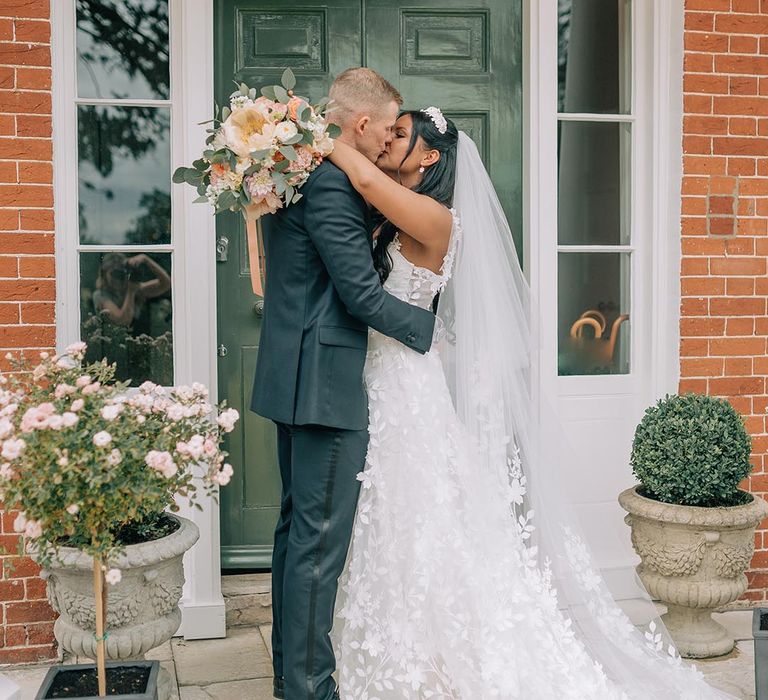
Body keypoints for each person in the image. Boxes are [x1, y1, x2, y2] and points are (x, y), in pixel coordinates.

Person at [326, 107, 734, 699]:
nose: (389, 140)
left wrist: (313, 137)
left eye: (400, 134)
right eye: (389, 130)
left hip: (409, 386)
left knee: (417, 517)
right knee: (399, 522)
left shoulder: (436, 217)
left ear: (430, 157)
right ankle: (416, 656)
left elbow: (364, 180)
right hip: (387, 380)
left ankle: (437, 664)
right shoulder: (394, 214)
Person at [250, 68, 436, 700]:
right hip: (324, 386)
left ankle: (287, 678)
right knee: (317, 544)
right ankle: (309, 689)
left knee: (293, 535)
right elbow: (359, 295)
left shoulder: (295, 169)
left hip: (292, 374)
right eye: (388, 127)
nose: (390, 139)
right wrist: (434, 334)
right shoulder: (330, 182)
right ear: (361, 123)